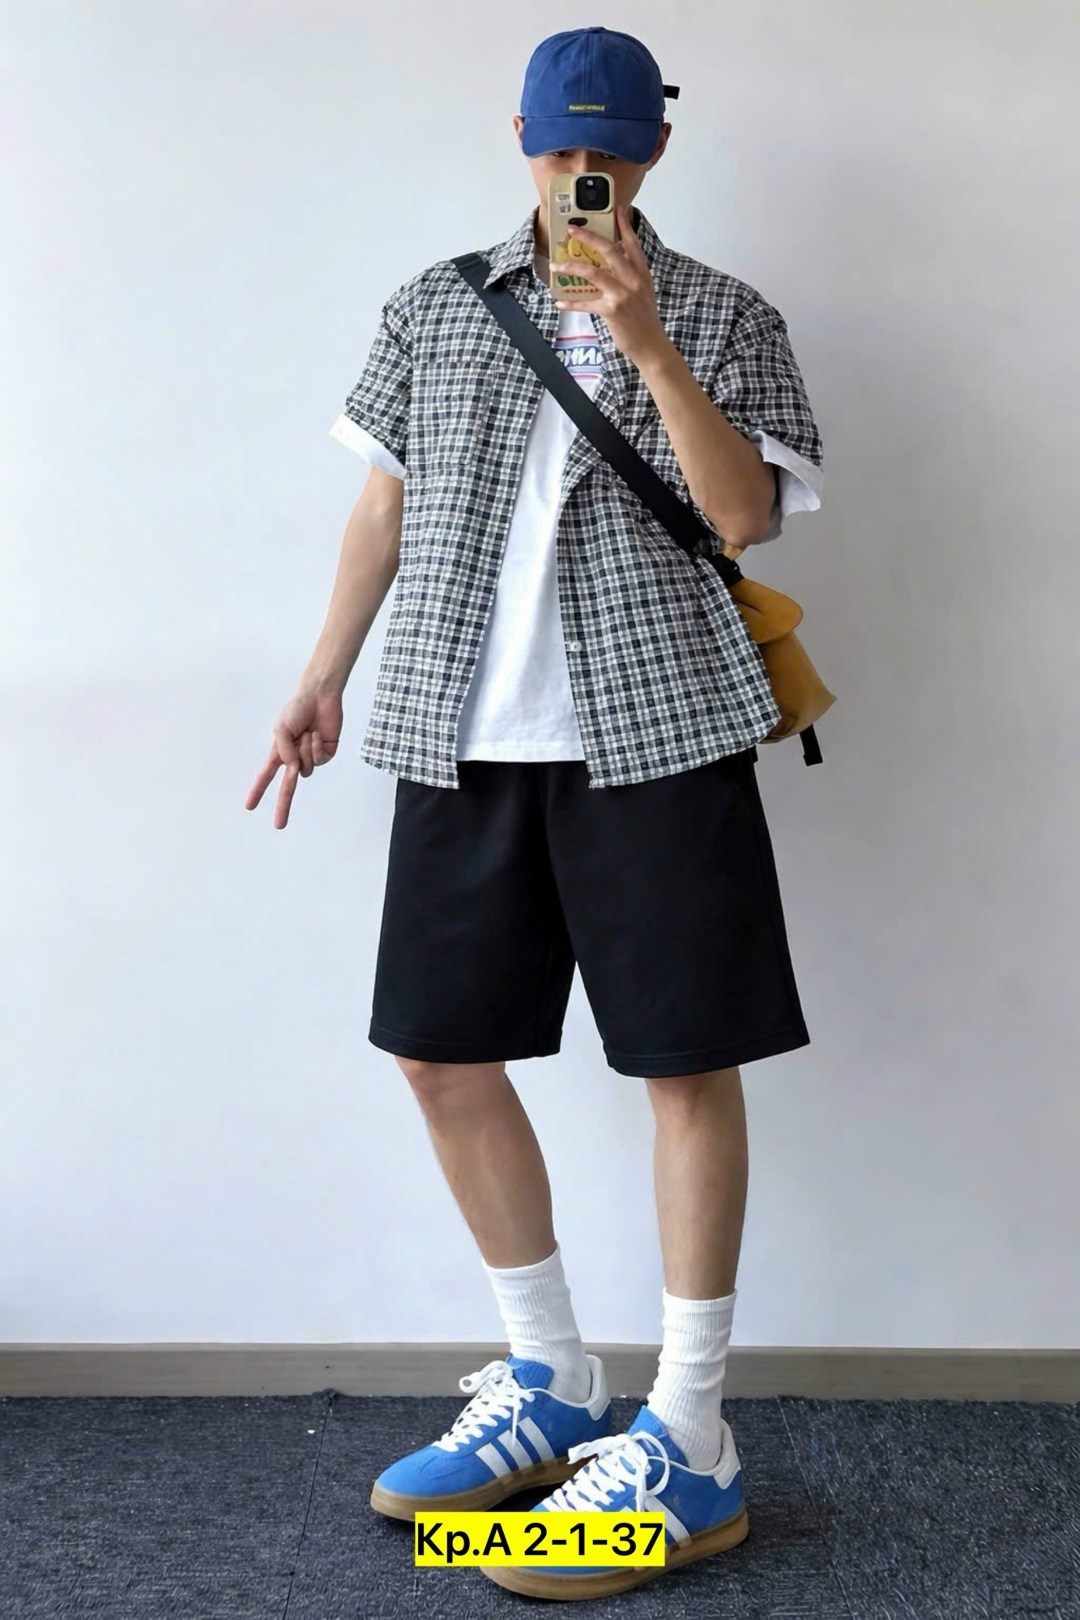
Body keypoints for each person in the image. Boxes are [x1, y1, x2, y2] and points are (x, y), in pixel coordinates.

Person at [246, 24, 824, 1602]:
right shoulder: (436, 305)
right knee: (440, 1053)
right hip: (457, 731)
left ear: (655, 149)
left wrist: (649, 343)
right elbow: (383, 502)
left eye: (614, 151)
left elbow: (745, 514)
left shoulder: (728, 313)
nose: (588, 173)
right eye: (565, 147)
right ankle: (552, 1377)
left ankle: (690, 1428)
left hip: (661, 734)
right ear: (518, 136)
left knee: (683, 1064)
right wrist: (322, 678)